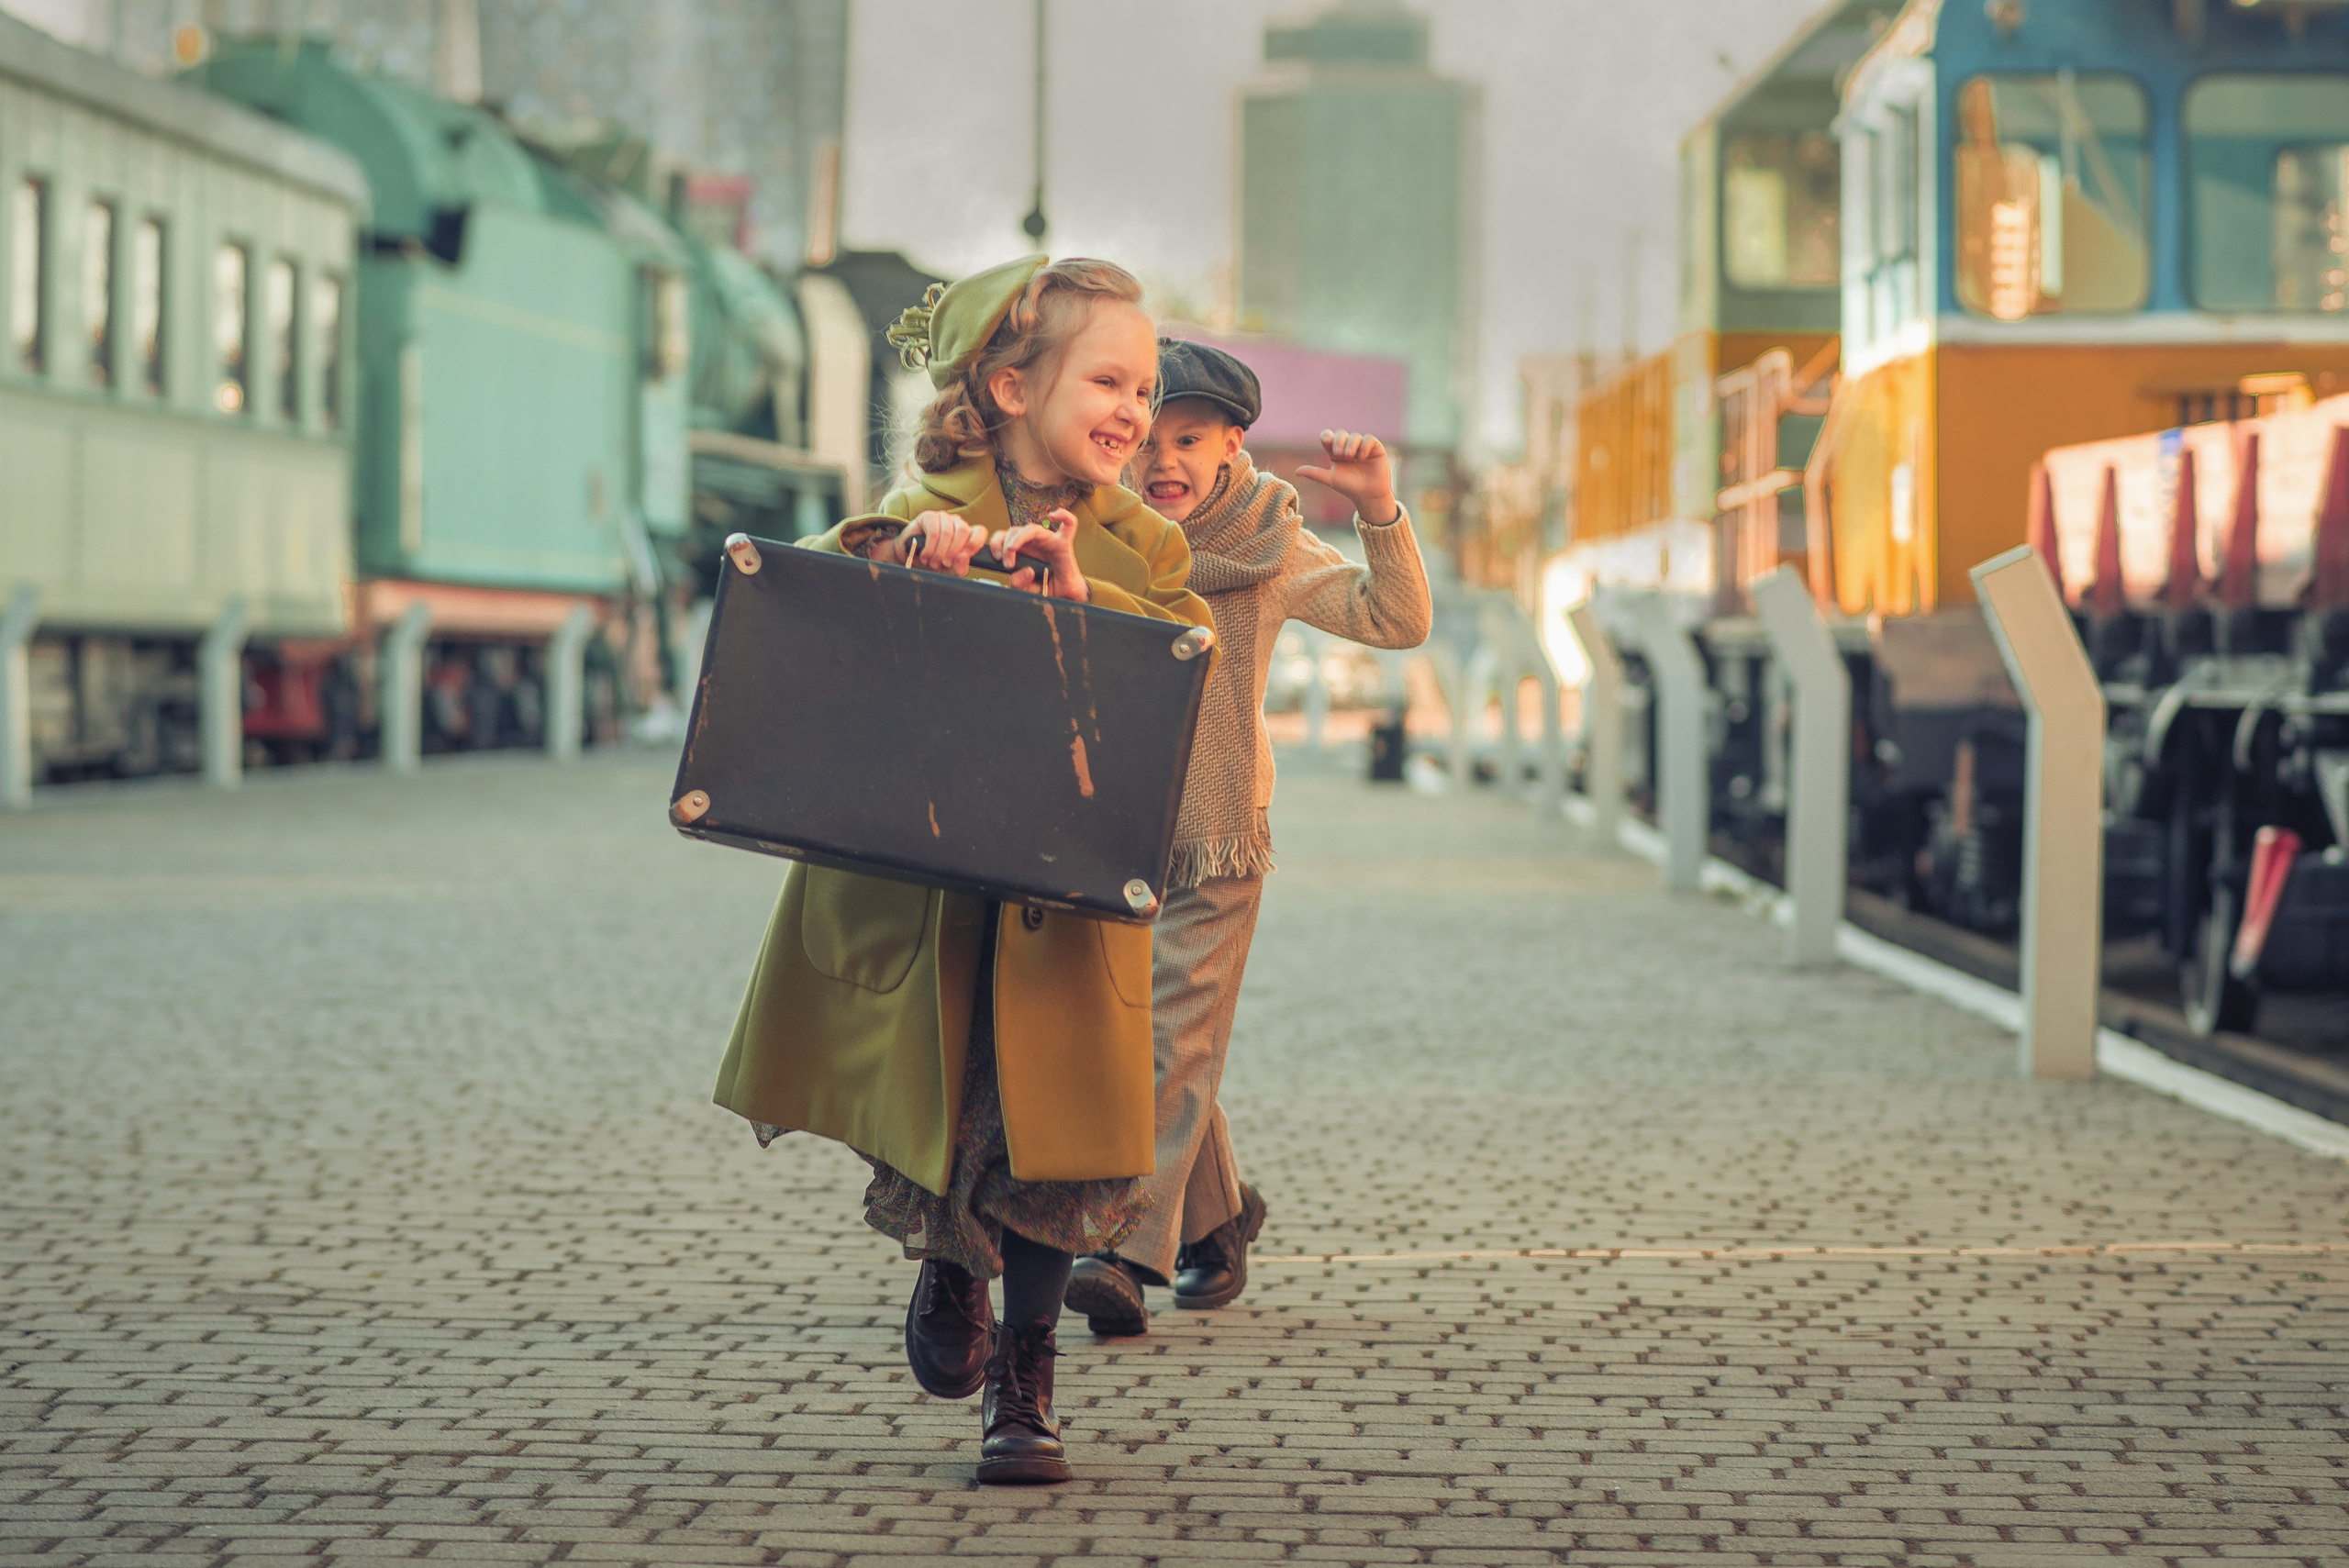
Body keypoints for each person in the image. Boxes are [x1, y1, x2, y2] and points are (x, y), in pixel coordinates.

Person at [711, 256, 1212, 1485]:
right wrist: (903, 553)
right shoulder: (916, 504)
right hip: (934, 898)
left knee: (1061, 1139)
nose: (1135, 412)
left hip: (1066, 903)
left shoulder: (1146, 547)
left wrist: (1078, 599)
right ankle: (949, 1263)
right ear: (1008, 386)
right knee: (953, 1106)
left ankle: (1025, 1377)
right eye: (1108, 381)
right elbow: (804, 587)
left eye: (1146, 390)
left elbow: (1172, 680)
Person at [1063, 337, 1432, 1337]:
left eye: (1189, 438)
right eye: (1148, 439)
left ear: (1233, 444)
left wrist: (1378, 509)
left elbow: (1396, 619)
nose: (1163, 461)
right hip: (1106, 830)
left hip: (1217, 836)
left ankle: (1122, 1249)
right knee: (1145, 1036)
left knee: (1171, 1038)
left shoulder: (1267, 543)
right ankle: (1218, 1220)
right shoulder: (1096, 531)